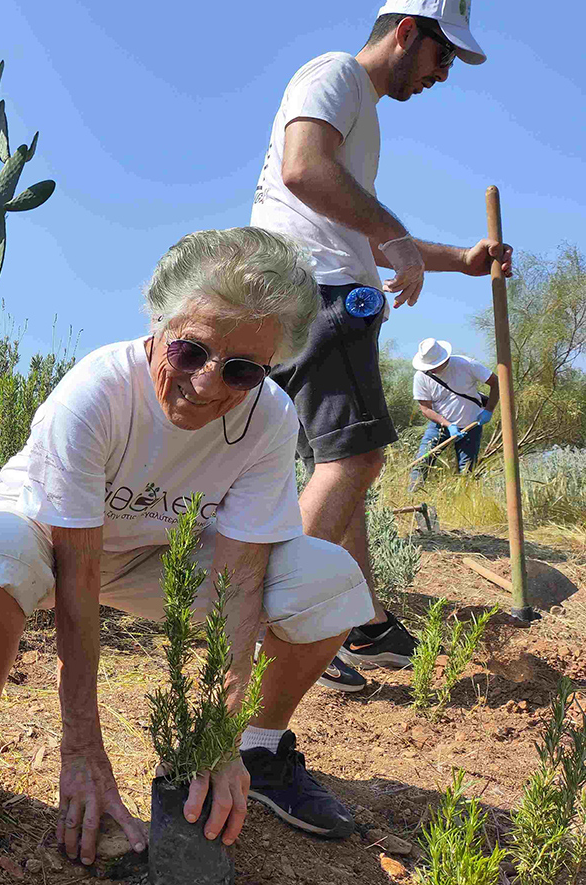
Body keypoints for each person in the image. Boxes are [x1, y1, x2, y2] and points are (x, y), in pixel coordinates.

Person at [0, 229, 375, 864]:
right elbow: (76, 576)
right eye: (190, 351)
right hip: (52, 541)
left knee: (325, 579)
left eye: (243, 369)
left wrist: (217, 734)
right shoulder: (98, 393)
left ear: (270, 366)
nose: (208, 384)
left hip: (159, 555)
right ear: (158, 322)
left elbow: (239, 584)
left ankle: (257, 749)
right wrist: (82, 748)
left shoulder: (269, 418)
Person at [250, 0, 512, 684]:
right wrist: (393, 236)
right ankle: (269, 628)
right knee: (357, 461)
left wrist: (461, 259)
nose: (444, 73)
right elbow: (303, 167)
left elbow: (359, 227)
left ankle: (362, 626)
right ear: (406, 33)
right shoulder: (336, 74)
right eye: (442, 54)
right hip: (321, 295)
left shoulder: (357, 114)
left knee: (338, 463)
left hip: (303, 293)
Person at [407, 338, 497, 490]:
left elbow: (497, 383)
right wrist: (448, 425)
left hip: (471, 425)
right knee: (422, 462)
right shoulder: (421, 377)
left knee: (467, 470)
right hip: (439, 427)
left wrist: (489, 410)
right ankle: (412, 496)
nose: (431, 370)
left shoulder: (467, 365)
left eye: (434, 365)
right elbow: (426, 409)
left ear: (445, 359)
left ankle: (463, 499)